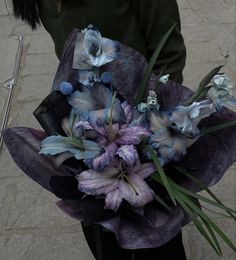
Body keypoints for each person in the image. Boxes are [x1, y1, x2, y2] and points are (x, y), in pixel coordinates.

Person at [11, 1, 187, 259]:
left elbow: (168, 57)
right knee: (102, 231)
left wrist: (149, 125)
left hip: (141, 130)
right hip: (86, 125)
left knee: (155, 235)